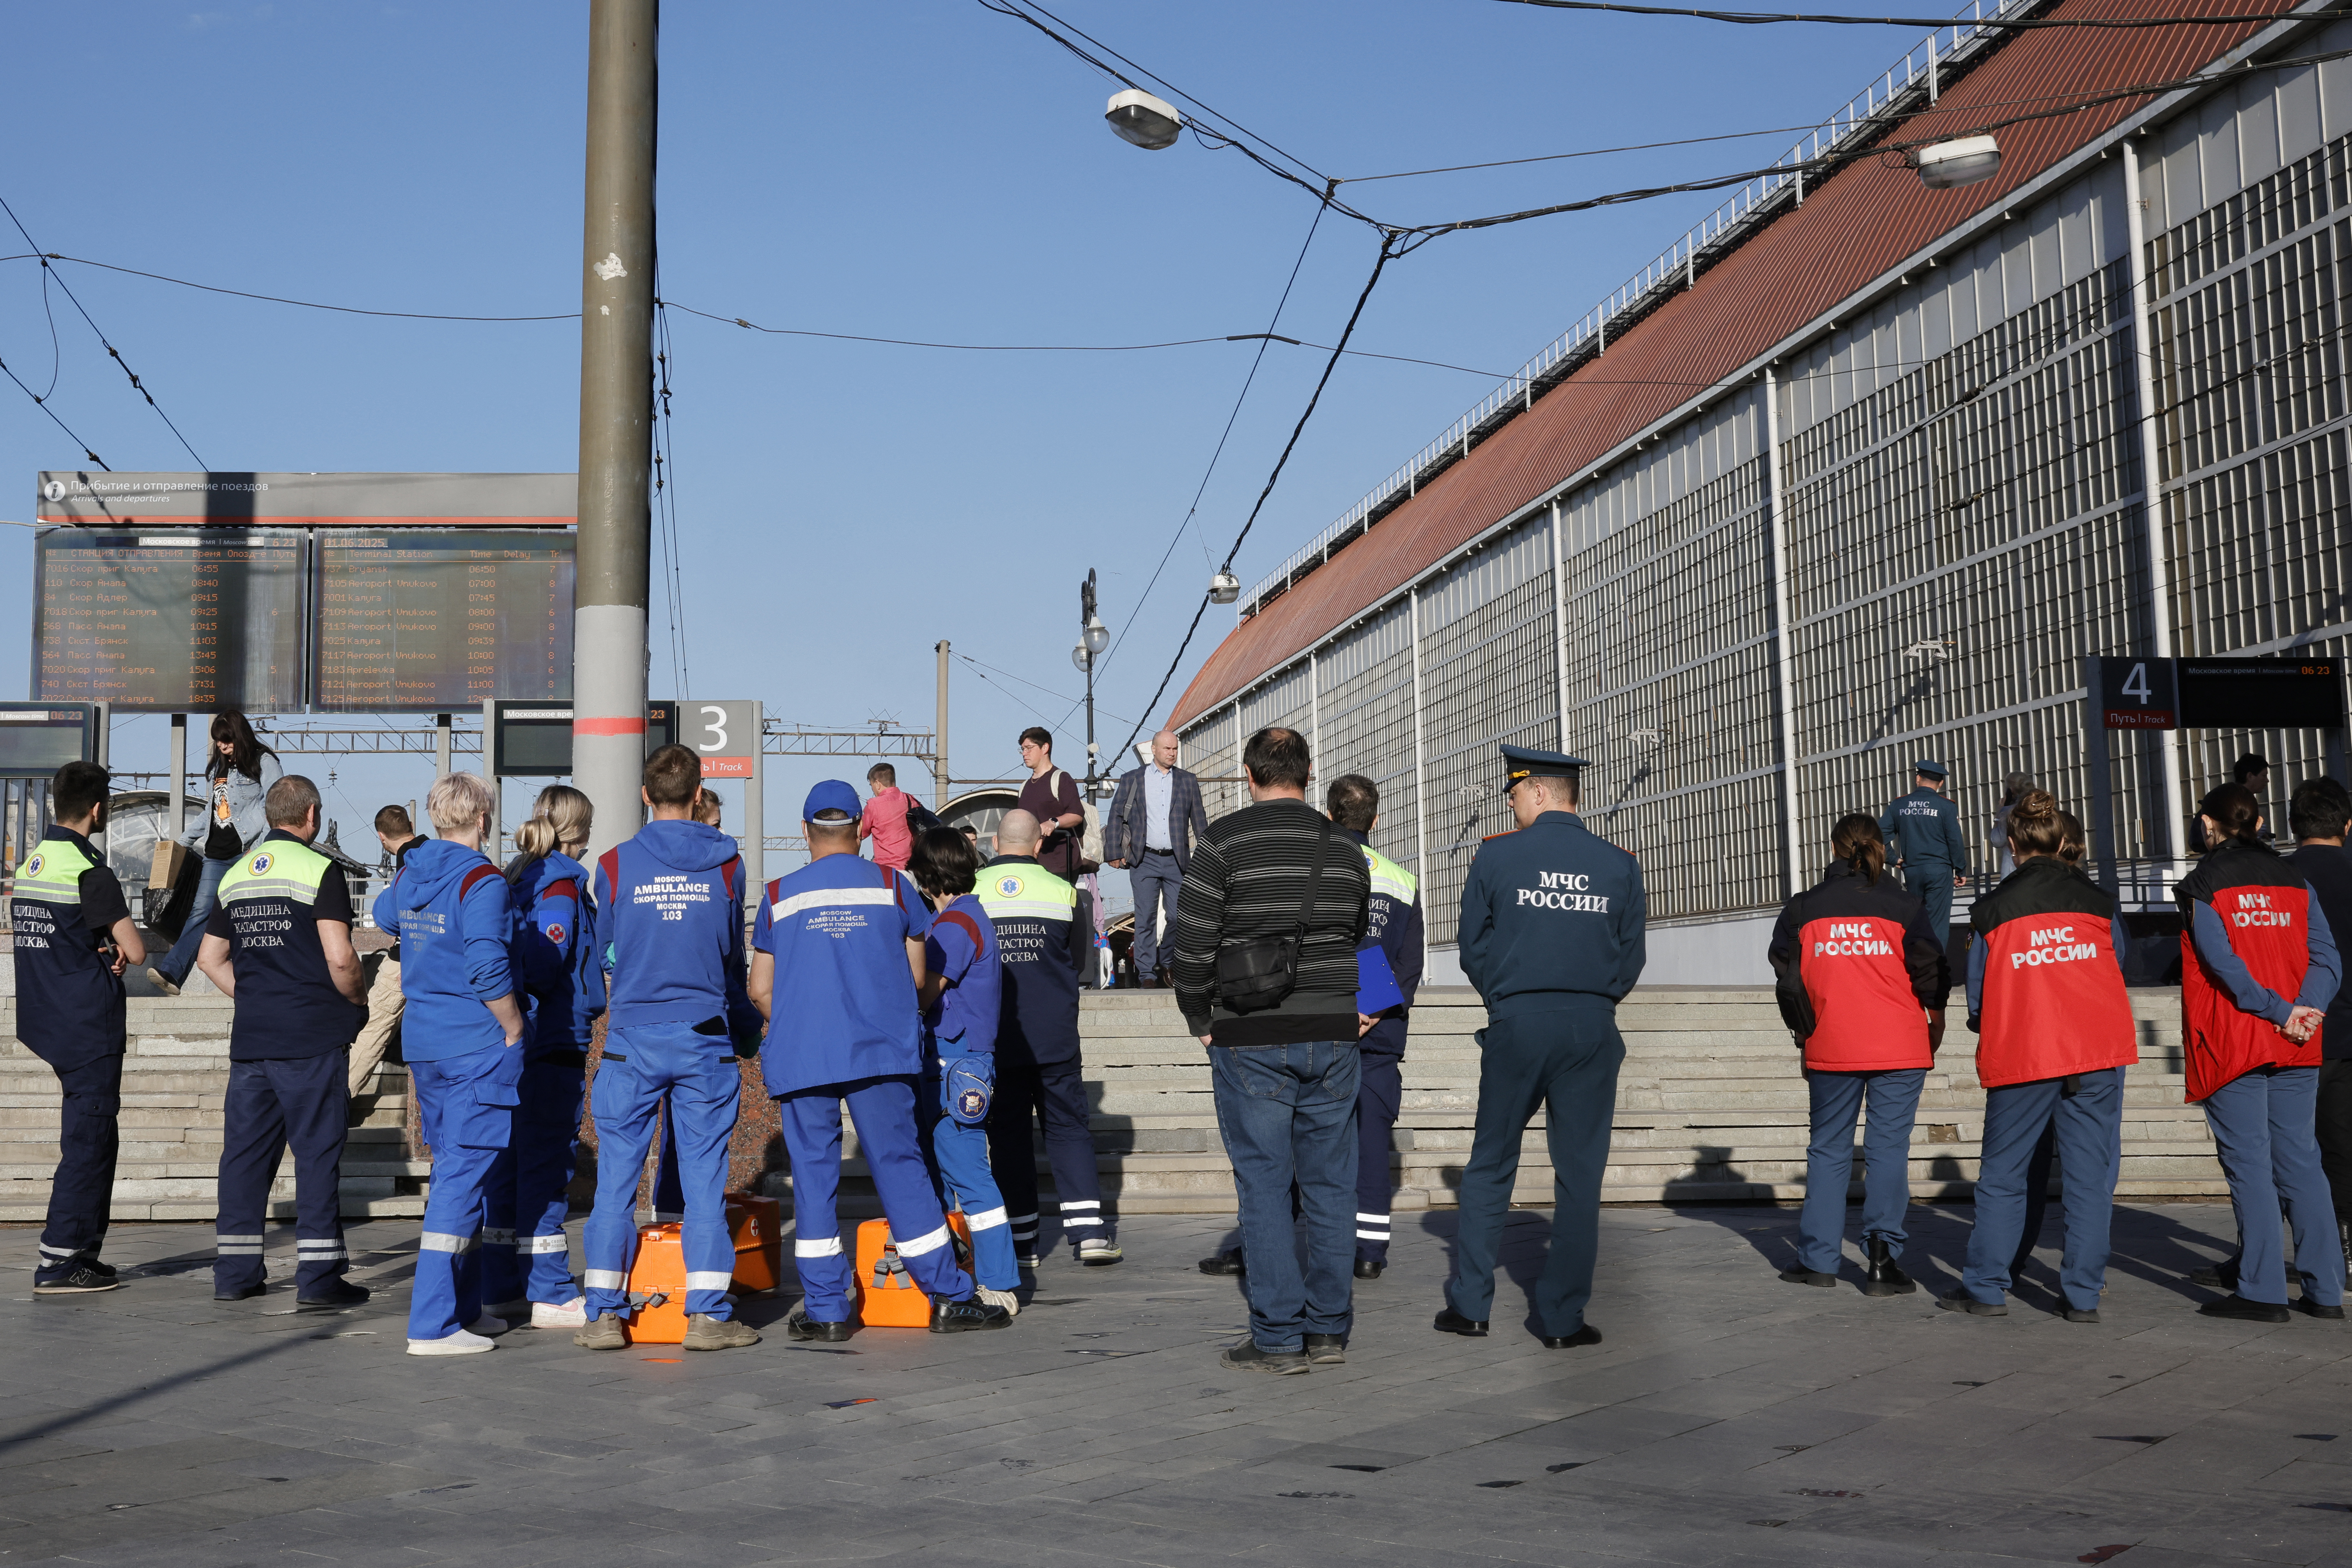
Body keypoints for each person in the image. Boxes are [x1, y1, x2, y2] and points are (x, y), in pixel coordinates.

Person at [751, 782, 1008, 1337]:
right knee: (902, 1169)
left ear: (805, 832)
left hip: (804, 1053)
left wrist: (805, 1022)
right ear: (859, 832)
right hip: (880, 1052)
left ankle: (825, 1311)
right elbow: (918, 980)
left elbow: (759, 990)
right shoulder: (894, 887)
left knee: (814, 1179)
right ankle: (948, 1296)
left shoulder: (777, 895)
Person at [1173, 727, 1370, 1374]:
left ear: (1249, 773)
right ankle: (1329, 1331)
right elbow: (1355, 935)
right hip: (1335, 1034)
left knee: (1263, 1184)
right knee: (1331, 1185)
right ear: (1309, 774)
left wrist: (1200, 1017)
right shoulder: (1344, 851)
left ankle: (1278, 1336)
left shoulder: (1222, 843)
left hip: (1250, 1035)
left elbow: (1192, 942)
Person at [1439, 745, 1644, 1351]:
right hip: (1590, 1024)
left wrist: (1503, 995)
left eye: (1513, 792)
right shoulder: (1618, 864)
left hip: (1518, 1021)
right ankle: (1560, 1318)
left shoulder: (1497, 855)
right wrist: (1596, 998)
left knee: (1490, 1163)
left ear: (1537, 792)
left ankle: (1472, 1305)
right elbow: (1629, 954)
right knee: (1580, 1176)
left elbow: (1471, 942)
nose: (1509, 801)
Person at [574, 745, 761, 1352]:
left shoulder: (613, 865)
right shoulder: (728, 867)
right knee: (705, 1179)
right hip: (705, 1036)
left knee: (616, 1185)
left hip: (633, 1038)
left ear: (646, 795)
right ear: (699, 792)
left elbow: (601, 951)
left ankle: (604, 1314)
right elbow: (733, 961)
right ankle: (707, 1315)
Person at [1938, 790, 2138, 1322]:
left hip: (2025, 1050)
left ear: (2011, 842)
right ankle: (2082, 1296)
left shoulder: (1992, 911)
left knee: (2003, 1175)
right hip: (2094, 1050)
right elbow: (2117, 961)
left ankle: (1985, 1287)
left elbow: (1978, 995)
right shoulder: (2098, 902)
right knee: (2089, 1179)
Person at [199, 774, 369, 1313]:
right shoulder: (320, 870)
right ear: (312, 815)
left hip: (252, 1040)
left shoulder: (237, 874)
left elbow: (209, 959)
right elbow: (341, 958)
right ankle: (319, 1279)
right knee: (317, 1155)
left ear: (271, 816)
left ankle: (235, 1272)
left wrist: (253, 998)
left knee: (244, 1160)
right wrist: (355, 1004)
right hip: (311, 1037)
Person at [2177, 781, 2344, 1323]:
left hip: (2236, 1040)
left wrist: (2278, 1011)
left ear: (2208, 825)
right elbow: (2327, 959)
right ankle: (2324, 1292)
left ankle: (2261, 1290)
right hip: (2298, 1040)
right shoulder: (2293, 879)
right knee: (2301, 1161)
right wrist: (2305, 1012)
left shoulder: (2202, 884)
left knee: (2248, 1163)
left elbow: (2222, 966)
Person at [373, 772, 526, 1354]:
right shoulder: (482, 880)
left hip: (427, 1044)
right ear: (482, 820)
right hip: (474, 1044)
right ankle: (432, 1325)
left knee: (459, 1172)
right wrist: (512, 1026)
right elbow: (488, 964)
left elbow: (387, 917)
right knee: (465, 1178)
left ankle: (465, 1310)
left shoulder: (414, 871)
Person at [1767, 813, 1945, 1295]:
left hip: (1831, 1041)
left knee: (1827, 1150)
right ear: (1881, 848)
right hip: (1899, 1043)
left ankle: (1818, 1260)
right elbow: (1931, 969)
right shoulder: (1903, 905)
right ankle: (1883, 1261)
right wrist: (1935, 1016)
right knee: (1888, 1150)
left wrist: (1804, 1024)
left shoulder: (1804, 908)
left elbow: (1785, 970)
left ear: (1831, 847)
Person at [14, 760, 145, 1293]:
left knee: (97, 1136)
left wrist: (98, 944)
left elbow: (61, 935)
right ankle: (60, 1260)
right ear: (97, 809)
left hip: (46, 1017)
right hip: (88, 1024)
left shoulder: (35, 864)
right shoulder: (91, 869)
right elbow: (135, 950)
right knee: (89, 1139)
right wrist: (116, 945)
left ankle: (84, 1249)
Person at [479, 785, 604, 1330]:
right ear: (579, 832)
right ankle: (551, 1288)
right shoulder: (560, 884)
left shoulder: (518, 874)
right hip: (554, 1037)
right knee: (547, 1164)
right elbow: (547, 960)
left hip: (520, 1039)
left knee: (508, 1165)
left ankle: (501, 1282)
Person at [981, 809, 1121, 1267]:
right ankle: (1089, 1233)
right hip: (1055, 1034)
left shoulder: (972, 895)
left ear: (996, 843)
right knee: (1068, 1128)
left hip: (998, 1038)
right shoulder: (1065, 893)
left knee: (1008, 1135)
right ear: (1037, 845)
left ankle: (1022, 1244)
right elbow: (1080, 967)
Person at [908, 825, 1021, 1313]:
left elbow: (924, 990)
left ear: (929, 873)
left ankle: (999, 1283)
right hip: (960, 1063)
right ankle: (976, 1275)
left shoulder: (955, 925)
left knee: (969, 1176)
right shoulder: (968, 917)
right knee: (958, 1176)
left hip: (954, 1063)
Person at [149, 711, 281, 996]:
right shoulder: (222, 766)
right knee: (201, 910)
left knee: (245, 918)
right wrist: (184, 841)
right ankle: (172, 972)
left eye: (227, 740)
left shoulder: (264, 761)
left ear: (239, 735)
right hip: (216, 855)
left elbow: (275, 807)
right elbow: (213, 810)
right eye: (218, 742)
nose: (222, 746)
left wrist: (258, 851)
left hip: (247, 853)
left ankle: (258, 980)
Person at [2293, 778, 2352, 1282]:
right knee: (2341, 1147)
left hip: (2299, 1033)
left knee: (2289, 1150)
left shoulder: (2280, 878)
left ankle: (2278, 1251)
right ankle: (2345, 1251)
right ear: (2347, 826)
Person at [1104, 729, 1208, 988]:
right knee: (1146, 917)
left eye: (1175, 749)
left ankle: (1169, 961)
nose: (1172, 753)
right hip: (1144, 859)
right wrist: (1114, 852)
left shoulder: (1187, 781)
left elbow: (1200, 820)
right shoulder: (1133, 779)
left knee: (1178, 916)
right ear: (1154, 750)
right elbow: (1116, 815)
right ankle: (1148, 974)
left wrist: (1209, 856)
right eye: (1167, 749)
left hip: (1177, 860)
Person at [348, 804, 427, 1097]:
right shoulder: (431, 849)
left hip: (408, 957)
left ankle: (343, 1095)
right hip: (435, 956)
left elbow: (395, 916)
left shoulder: (409, 859)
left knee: (375, 1026)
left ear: (381, 837)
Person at [1878, 760, 1969, 949]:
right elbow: (1955, 840)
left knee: (1914, 919)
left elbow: (1879, 835)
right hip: (1939, 871)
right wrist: (1960, 869)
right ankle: (1936, 967)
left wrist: (1892, 858)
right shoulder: (1946, 806)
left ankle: (1915, 961)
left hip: (1912, 870)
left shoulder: (1899, 804)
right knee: (1937, 924)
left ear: (1918, 778)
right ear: (1941, 784)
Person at [859, 763, 917, 874]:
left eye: (871, 785)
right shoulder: (910, 800)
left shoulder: (874, 804)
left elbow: (861, 834)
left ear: (877, 784)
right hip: (912, 868)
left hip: (886, 869)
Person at [1992, 773, 2035, 877]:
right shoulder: (2040, 808)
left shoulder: (2008, 812)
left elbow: (1997, 841)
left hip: (2013, 866)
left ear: (2010, 791)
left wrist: (1999, 813)